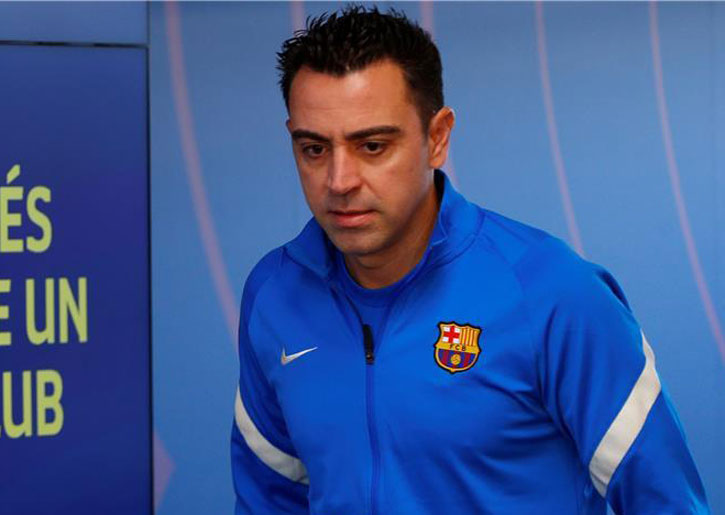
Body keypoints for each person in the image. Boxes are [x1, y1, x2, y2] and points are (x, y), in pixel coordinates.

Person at [231, 5, 709, 514]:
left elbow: (667, 503)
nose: (339, 180)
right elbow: (269, 502)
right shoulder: (275, 295)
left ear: (437, 137)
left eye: (372, 145)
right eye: (314, 149)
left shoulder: (551, 293)